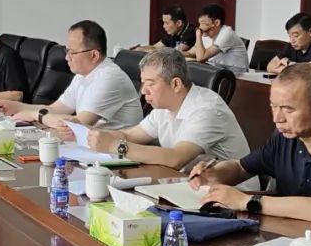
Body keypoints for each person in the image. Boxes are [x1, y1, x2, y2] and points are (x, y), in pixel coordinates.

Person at [189, 63, 311, 241]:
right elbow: (241, 167)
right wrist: (214, 174)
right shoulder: (285, 137)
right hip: (299, 240)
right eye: (273, 107)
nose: (277, 118)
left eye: (288, 109)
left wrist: (246, 201)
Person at [87, 49, 252, 178]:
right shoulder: (163, 107)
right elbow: (129, 135)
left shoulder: (207, 110)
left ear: (175, 84)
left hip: (233, 194)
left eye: (150, 84)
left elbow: (176, 158)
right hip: (185, 182)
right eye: (143, 83)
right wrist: (95, 134)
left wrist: (115, 146)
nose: (143, 91)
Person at [0, 20, 142, 137]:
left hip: (116, 155)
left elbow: (77, 124)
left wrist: (34, 115)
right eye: (67, 51)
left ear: (94, 55)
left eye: (72, 52)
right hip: (93, 146)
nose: (66, 57)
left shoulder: (109, 77)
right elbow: (55, 109)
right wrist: (17, 107)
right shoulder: (83, 75)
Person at [190, 3, 249, 73]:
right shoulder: (209, 34)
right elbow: (192, 52)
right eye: (199, 23)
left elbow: (200, 58)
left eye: (203, 23)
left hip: (237, 76)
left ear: (217, 22)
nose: (200, 27)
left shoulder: (227, 33)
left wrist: (198, 33)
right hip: (220, 72)